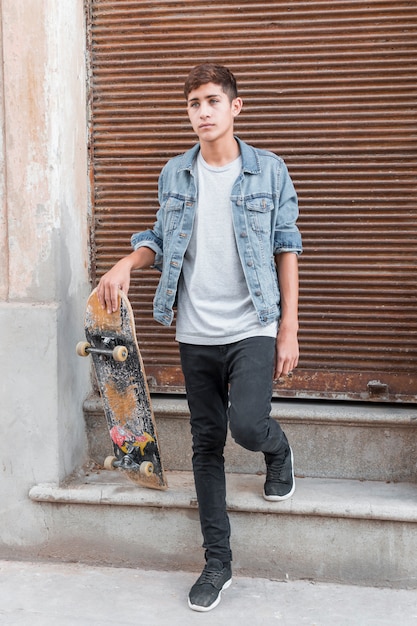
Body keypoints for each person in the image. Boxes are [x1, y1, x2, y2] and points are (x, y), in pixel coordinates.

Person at [97, 63, 302, 612]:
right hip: (195, 330)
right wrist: (127, 263)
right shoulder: (175, 174)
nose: (203, 112)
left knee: (248, 424)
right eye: (194, 103)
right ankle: (217, 562)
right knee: (206, 444)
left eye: (213, 100)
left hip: (254, 323)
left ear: (236, 107)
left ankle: (277, 450)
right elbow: (159, 240)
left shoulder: (269, 171)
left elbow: (287, 246)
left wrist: (288, 327)